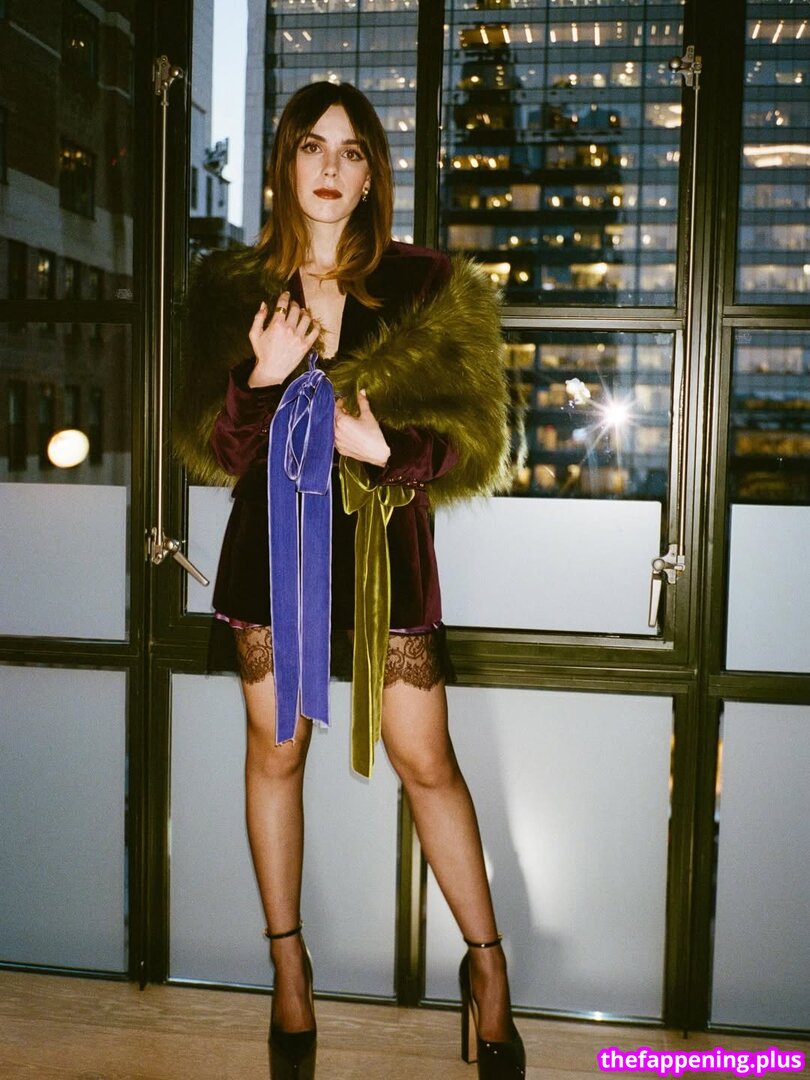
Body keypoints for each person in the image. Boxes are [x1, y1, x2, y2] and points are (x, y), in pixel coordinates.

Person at [176, 81, 525, 1080]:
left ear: (373, 173)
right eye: (312, 147)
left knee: (427, 761)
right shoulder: (232, 287)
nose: (330, 168)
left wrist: (388, 448)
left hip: (385, 553)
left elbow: (479, 443)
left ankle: (488, 967)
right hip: (270, 553)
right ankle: (289, 972)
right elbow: (212, 449)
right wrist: (261, 377)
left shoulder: (427, 285)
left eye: (352, 151)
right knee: (276, 754)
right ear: (284, 163)